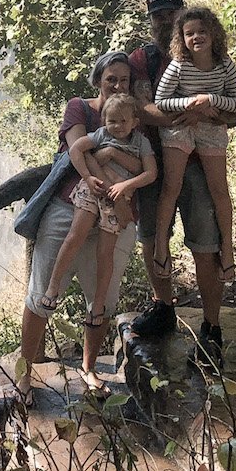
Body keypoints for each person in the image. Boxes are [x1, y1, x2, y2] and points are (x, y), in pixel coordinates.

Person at [8, 51, 137, 403]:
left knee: (103, 295)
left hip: (114, 218)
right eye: (111, 78)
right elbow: (78, 149)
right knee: (41, 292)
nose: (117, 85)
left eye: (124, 80)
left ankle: (89, 367)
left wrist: (119, 184)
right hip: (69, 207)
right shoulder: (79, 107)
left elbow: (145, 162)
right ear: (98, 80)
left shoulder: (132, 114)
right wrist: (113, 180)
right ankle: (25, 373)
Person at [128, 0, 236, 370]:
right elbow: (142, 107)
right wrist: (192, 112)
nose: (165, 20)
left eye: (171, 13)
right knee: (151, 238)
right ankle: (164, 307)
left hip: (199, 163)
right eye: (158, 15)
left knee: (205, 240)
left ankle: (212, 325)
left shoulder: (211, 58)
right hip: (150, 159)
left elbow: (231, 103)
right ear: (151, 19)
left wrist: (206, 112)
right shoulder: (141, 60)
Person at [39, 94, 156, 329]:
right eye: (112, 121)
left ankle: (98, 304)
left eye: (123, 121)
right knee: (75, 236)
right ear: (104, 121)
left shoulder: (141, 142)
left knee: (106, 253)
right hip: (92, 192)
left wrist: (126, 185)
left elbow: (150, 173)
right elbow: (75, 150)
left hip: (118, 199)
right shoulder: (101, 135)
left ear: (134, 121)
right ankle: (53, 288)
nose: (118, 126)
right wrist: (87, 177)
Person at [153, 7, 236, 284]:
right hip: (180, 126)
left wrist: (210, 100)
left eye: (201, 32)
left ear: (213, 33)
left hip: (211, 127)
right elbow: (161, 100)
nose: (196, 38)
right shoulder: (179, 65)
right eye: (189, 33)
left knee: (220, 189)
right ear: (181, 38)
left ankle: (227, 249)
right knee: (172, 186)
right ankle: (160, 245)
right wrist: (189, 104)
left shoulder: (224, 64)